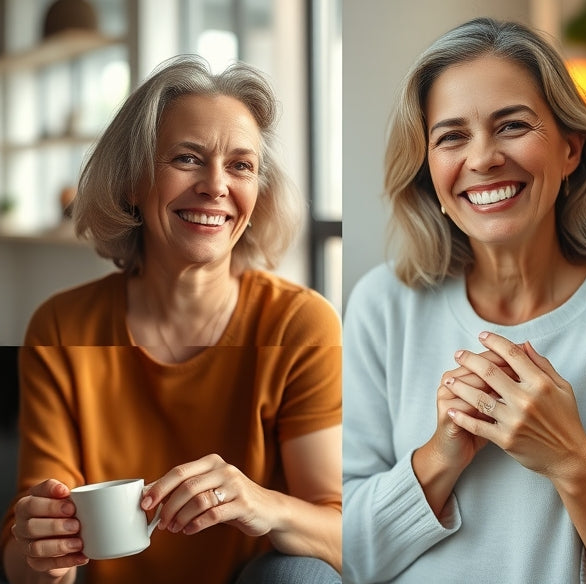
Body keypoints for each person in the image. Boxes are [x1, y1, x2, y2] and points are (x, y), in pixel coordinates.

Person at [342, 17, 586, 584]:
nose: (484, 158)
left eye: (512, 125)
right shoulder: (382, 306)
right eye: (451, 136)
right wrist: (440, 456)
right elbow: (347, 555)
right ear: (430, 172)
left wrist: (569, 456)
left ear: (571, 149)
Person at [1, 56, 341, 584]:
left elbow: (345, 534)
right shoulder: (61, 327)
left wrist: (261, 504)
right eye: (187, 158)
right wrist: (44, 556)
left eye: (241, 165)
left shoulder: (299, 325)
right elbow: (21, 560)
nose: (215, 185)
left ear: (259, 192)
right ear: (133, 180)